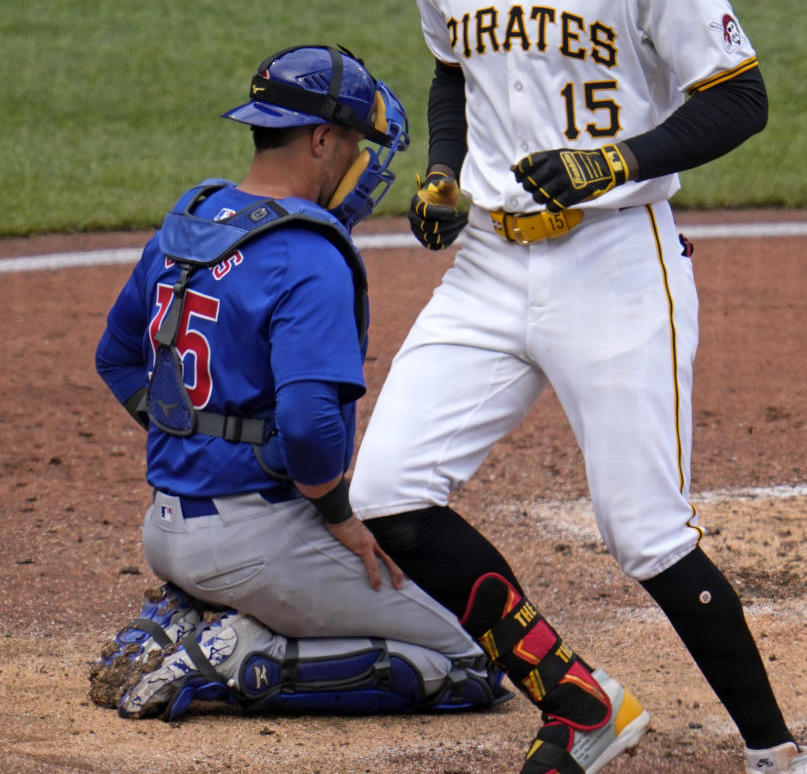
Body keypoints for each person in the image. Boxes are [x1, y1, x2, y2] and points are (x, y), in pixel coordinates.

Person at [349, 0, 807, 774]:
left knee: (646, 534)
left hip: (617, 267)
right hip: (488, 270)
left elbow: (740, 97)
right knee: (390, 487)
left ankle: (786, 770)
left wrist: (611, 163)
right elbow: (454, 70)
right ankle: (577, 703)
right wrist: (443, 175)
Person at [91, 45, 507, 722]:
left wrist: (195, 437)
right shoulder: (311, 256)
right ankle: (237, 651)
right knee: (473, 661)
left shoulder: (191, 216)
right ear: (320, 139)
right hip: (254, 547)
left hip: (166, 529)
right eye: (357, 144)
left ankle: (189, 611)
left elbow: (116, 357)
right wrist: (339, 517)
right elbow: (312, 428)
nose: (366, 164)